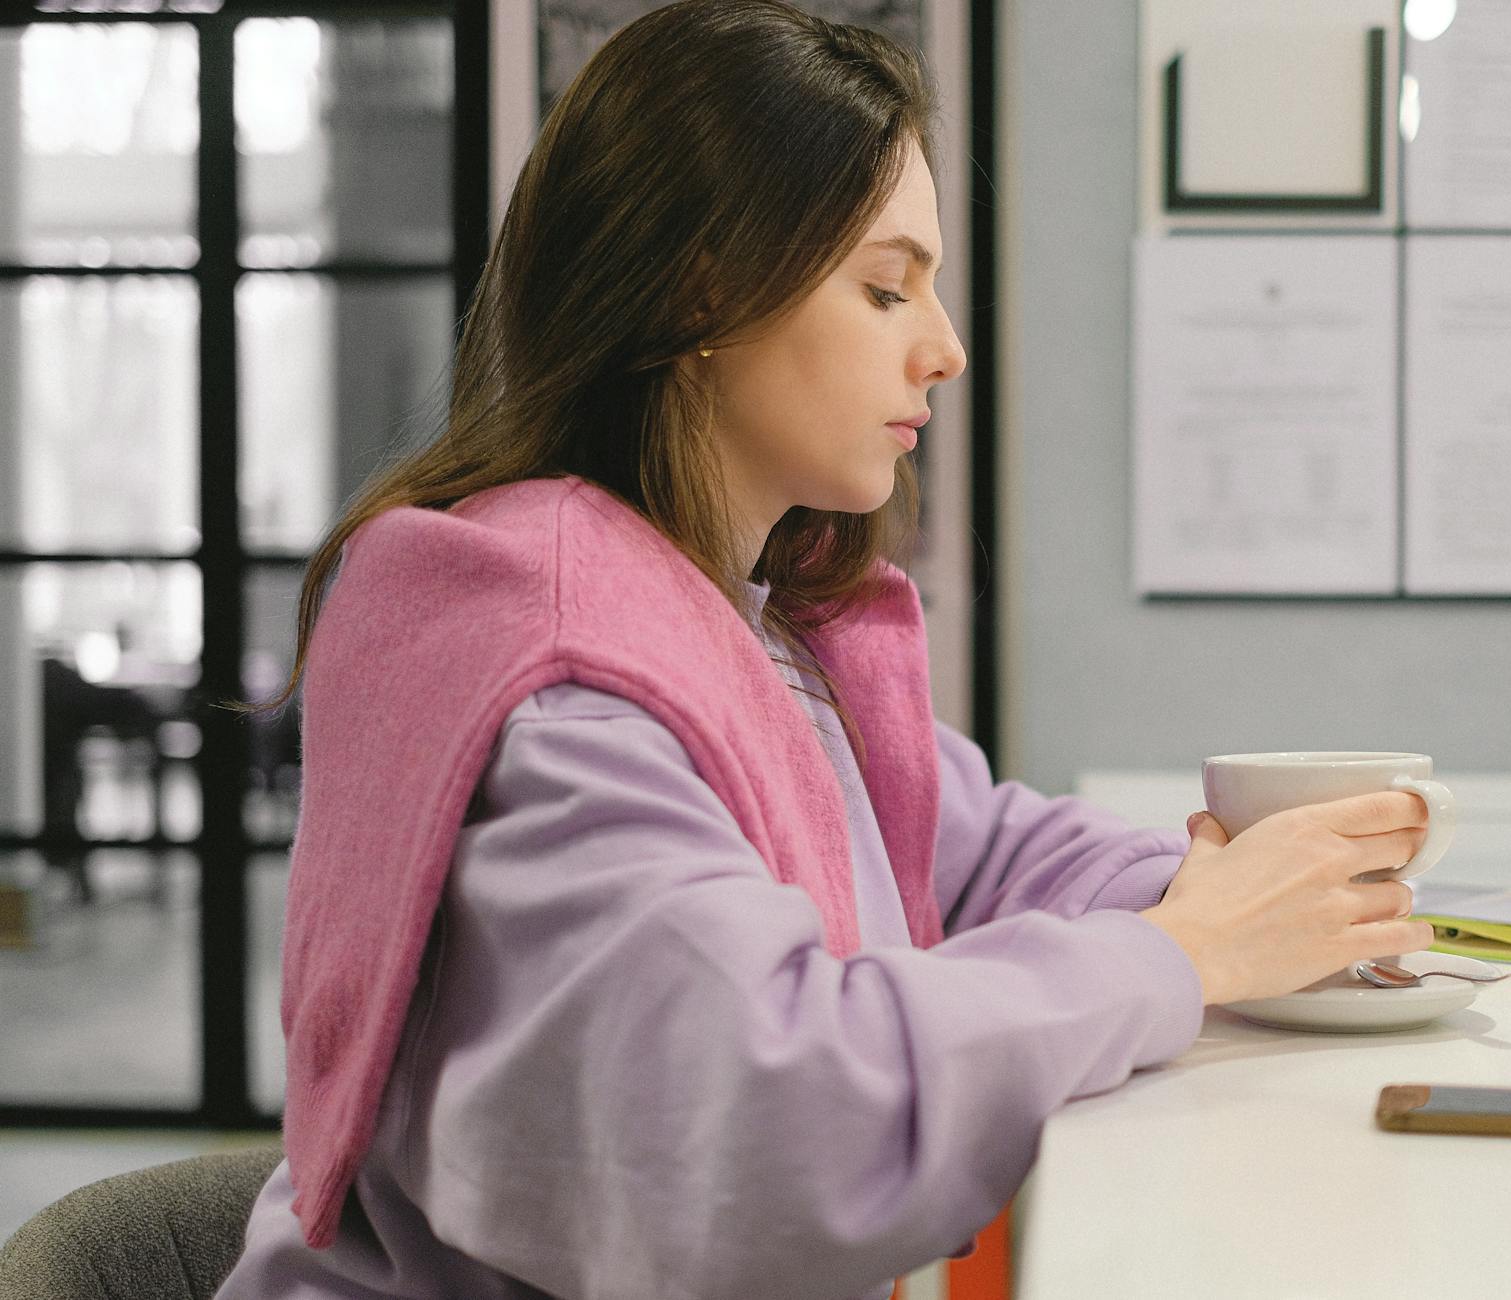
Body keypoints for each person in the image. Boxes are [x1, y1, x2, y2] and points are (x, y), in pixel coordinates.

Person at [215, 3, 1435, 1297]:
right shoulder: (567, 683)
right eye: (883, 287)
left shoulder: (739, 619)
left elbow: (977, 852)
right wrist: (1185, 953)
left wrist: (1268, 887)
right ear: (704, 285)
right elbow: (779, 1125)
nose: (944, 347)